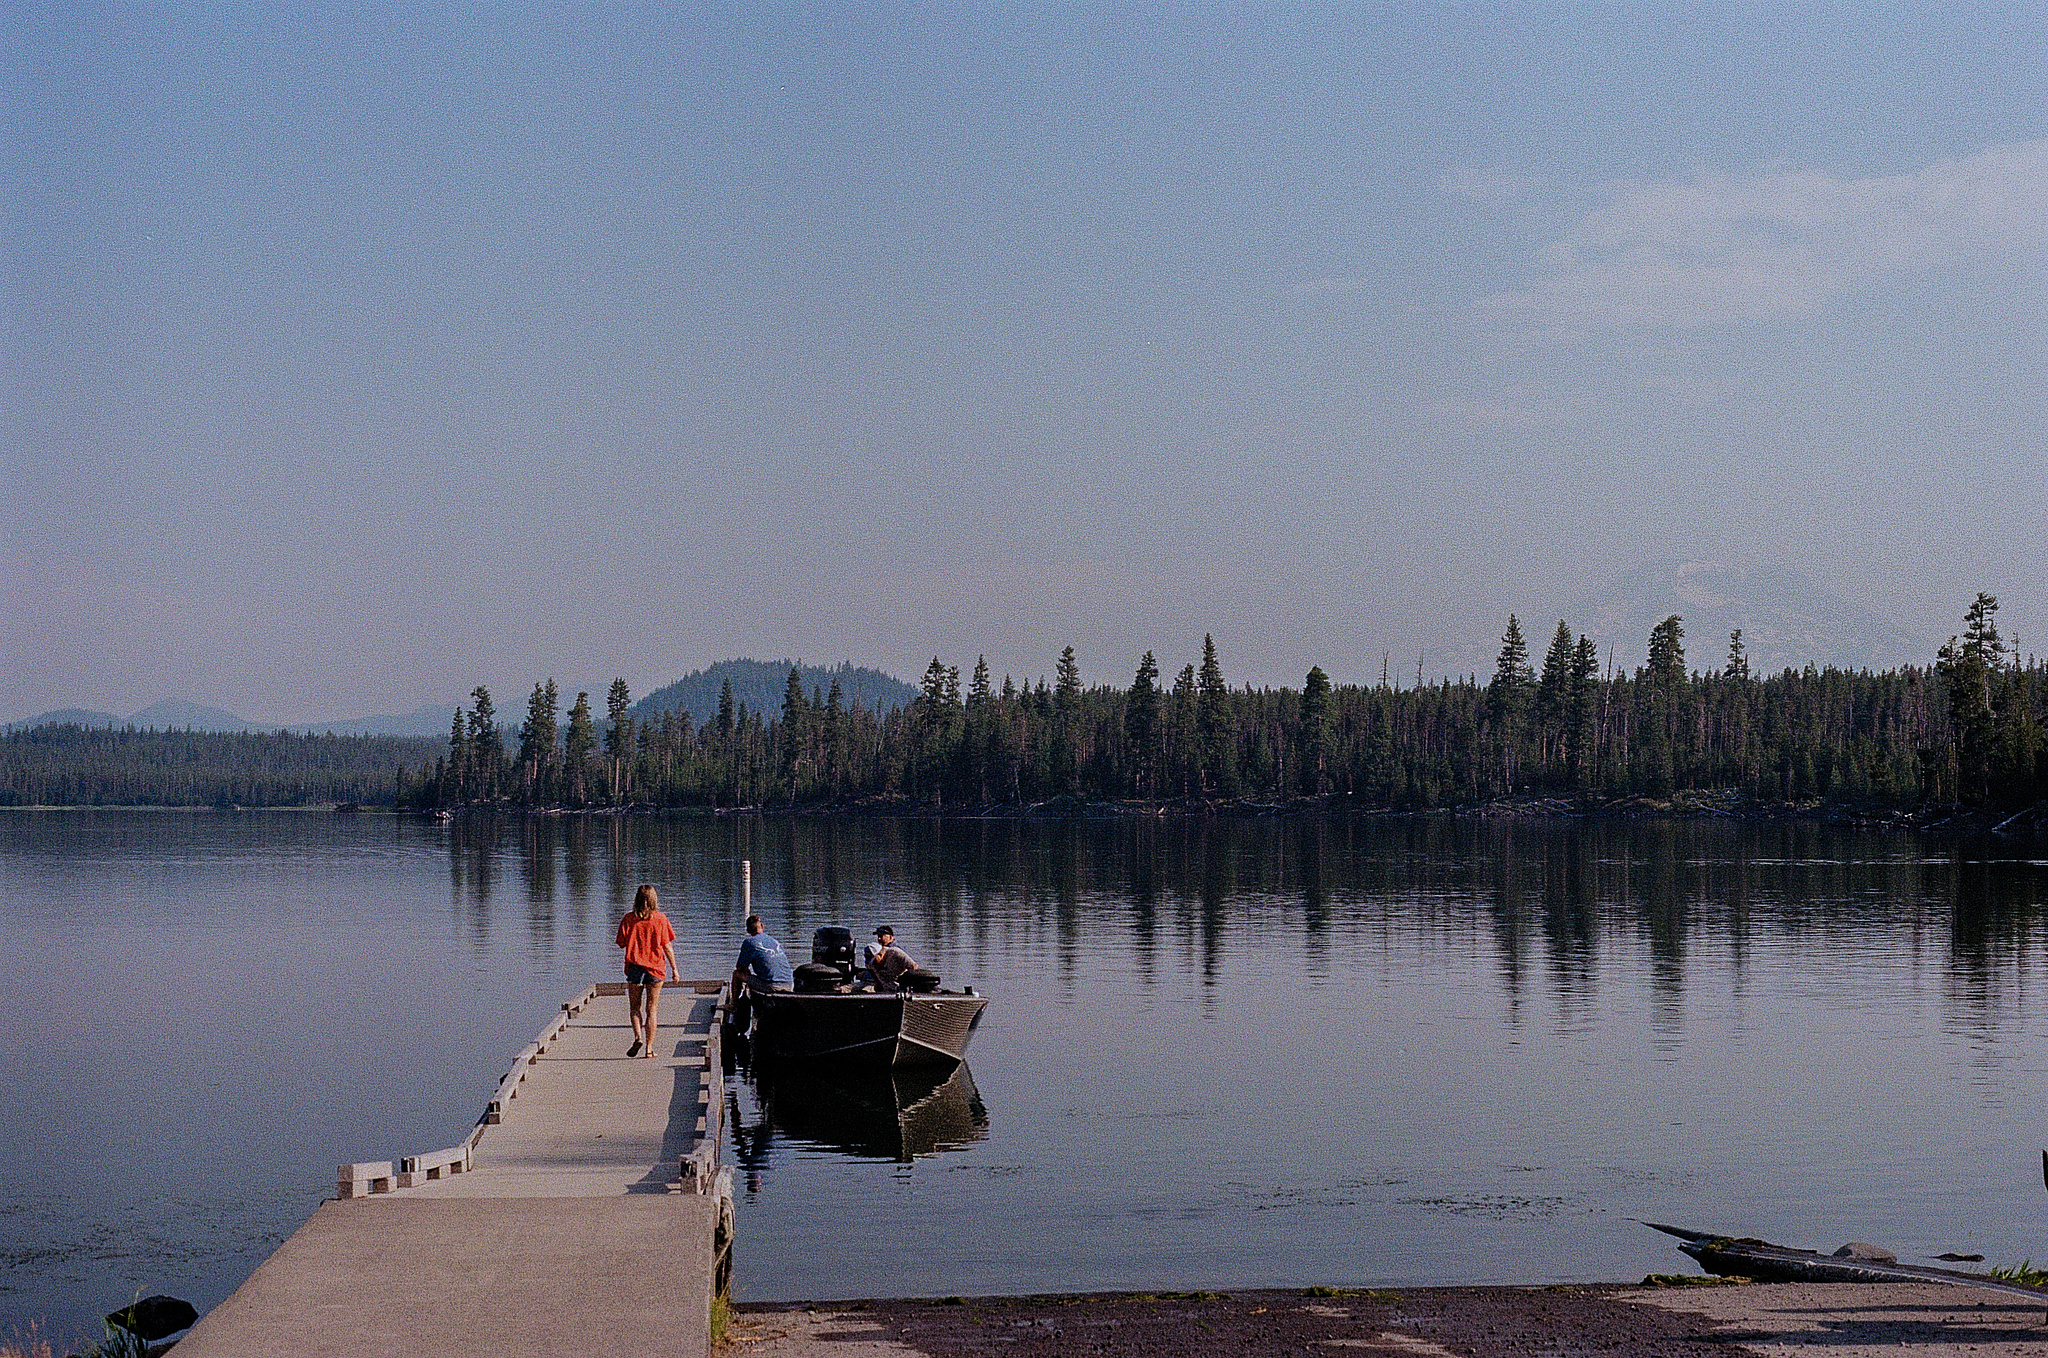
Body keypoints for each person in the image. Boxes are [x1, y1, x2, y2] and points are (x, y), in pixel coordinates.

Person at [615, 884, 678, 1059]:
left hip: (635, 967)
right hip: (655, 969)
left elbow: (621, 943)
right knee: (652, 1009)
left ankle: (638, 1037)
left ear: (636, 899)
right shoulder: (661, 919)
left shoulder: (628, 919)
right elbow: (667, 946)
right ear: (654, 900)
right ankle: (649, 1049)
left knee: (635, 1007)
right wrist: (674, 969)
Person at [731, 914, 793, 1010]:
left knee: (737, 974)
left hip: (772, 986)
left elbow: (739, 967)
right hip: (789, 983)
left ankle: (733, 1005)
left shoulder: (749, 942)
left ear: (748, 930)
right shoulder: (775, 941)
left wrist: (746, 970)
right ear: (762, 926)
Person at [859, 925, 917, 992]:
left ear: (890, 937)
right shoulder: (882, 949)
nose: (879, 939)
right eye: (878, 937)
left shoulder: (895, 950)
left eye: (881, 936)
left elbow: (913, 966)